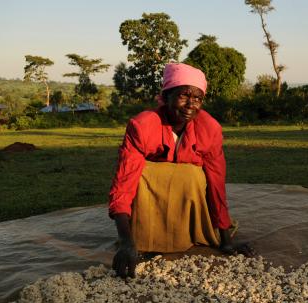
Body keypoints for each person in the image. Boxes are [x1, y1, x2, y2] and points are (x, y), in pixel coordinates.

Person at [109, 63, 254, 278]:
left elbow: (216, 183)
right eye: (183, 96)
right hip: (151, 198)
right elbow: (124, 183)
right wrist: (127, 242)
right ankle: (144, 239)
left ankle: (186, 233)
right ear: (166, 96)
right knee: (143, 175)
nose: (190, 105)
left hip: (188, 197)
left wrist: (226, 241)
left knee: (193, 174)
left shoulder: (210, 129)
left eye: (197, 99)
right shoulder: (142, 126)